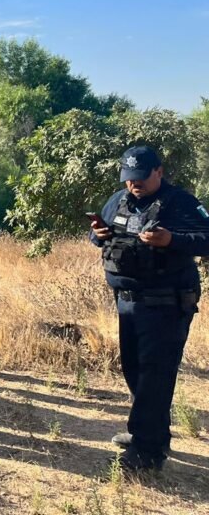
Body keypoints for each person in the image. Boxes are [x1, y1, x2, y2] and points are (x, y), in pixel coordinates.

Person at [90, 145, 207, 473]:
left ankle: (147, 451)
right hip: (128, 301)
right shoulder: (119, 199)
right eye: (128, 178)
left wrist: (172, 239)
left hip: (165, 303)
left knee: (155, 373)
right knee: (135, 370)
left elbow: (206, 238)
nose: (134, 184)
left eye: (141, 177)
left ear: (159, 171)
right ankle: (151, 432)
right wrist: (97, 234)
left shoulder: (180, 202)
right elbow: (98, 233)